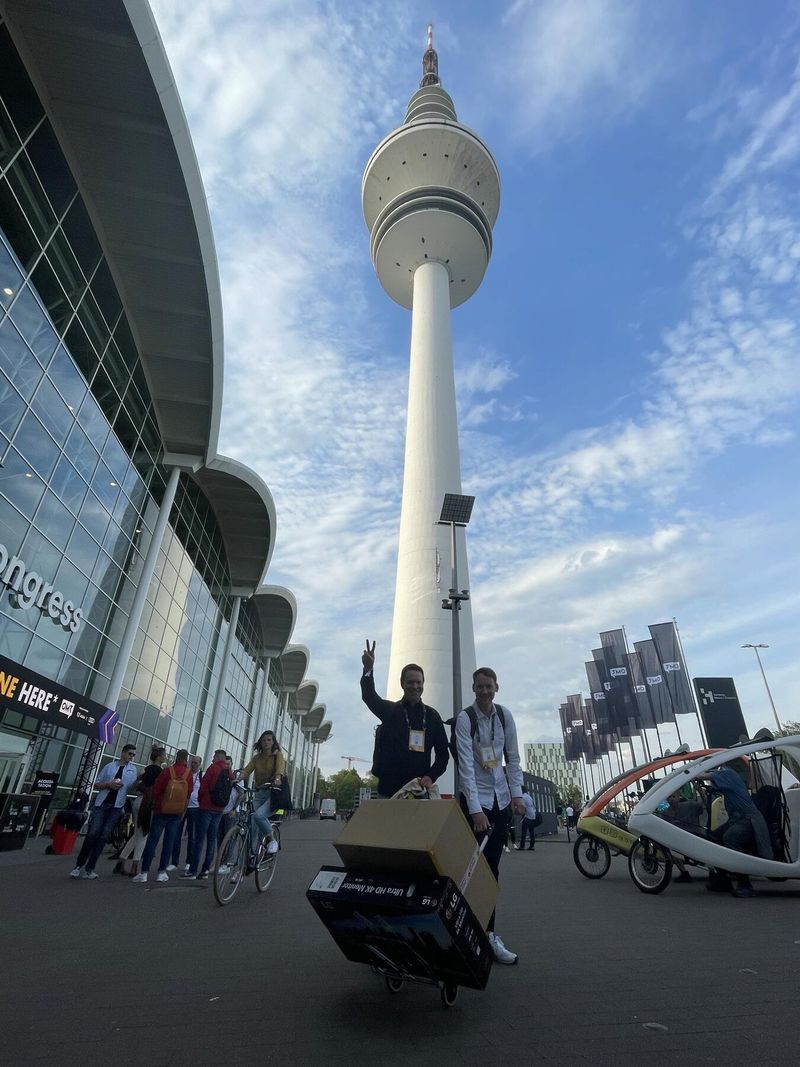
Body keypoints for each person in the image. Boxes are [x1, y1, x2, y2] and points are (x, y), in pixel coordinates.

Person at [455, 667, 525, 965]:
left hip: (500, 801)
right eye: (479, 686)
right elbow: (466, 767)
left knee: (491, 870)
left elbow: (513, 756)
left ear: (497, 686)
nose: (484, 691)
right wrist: (474, 810)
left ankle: (489, 934)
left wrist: (517, 793)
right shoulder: (465, 719)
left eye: (488, 686)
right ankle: (462, 931)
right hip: (476, 802)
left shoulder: (505, 716)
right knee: (469, 870)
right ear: (473, 688)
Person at [360, 639, 449, 798]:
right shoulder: (389, 711)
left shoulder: (432, 716)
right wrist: (368, 669)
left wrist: (431, 776)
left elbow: (443, 755)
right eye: (410, 682)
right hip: (388, 792)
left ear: (423, 684)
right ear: (402, 683)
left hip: (418, 792)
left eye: (418, 682)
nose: (414, 686)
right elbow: (369, 696)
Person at [70, 744, 138, 879]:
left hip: (117, 806)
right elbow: (97, 783)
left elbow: (133, 787)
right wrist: (109, 785)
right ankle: (79, 865)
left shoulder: (132, 770)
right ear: (123, 753)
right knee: (92, 834)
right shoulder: (110, 767)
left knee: (104, 836)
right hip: (102, 804)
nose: (131, 757)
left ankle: (90, 868)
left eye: (133, 755)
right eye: (130, 754)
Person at [133, 749, 193, 884]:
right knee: (169, 842)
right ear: (186, 759)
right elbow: (188, 794)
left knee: (152, 840)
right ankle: (161, 872)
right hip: (177, 812)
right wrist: (183, 810)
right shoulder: (188, 774)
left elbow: (157, 789)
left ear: (176, 757)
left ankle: (144, 873)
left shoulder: (167, 771)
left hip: (161, 810)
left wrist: (154, 803)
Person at [113, 744, 166, 875]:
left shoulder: (145, 769)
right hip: (147, 803)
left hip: (138, 800)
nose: (165, 757)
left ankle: (121, 861)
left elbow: (136, 785)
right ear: (159, 757)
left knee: (137, 834)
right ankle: (135, 866)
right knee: (143, 835)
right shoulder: (160, 772)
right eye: (164, 755)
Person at [235, 731, 284, 858]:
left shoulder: (277, 755)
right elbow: (247, 769)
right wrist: (239, 778)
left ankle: (271, 839)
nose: (266, 742)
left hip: (273, 793)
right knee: (252, 821)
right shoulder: (257, 758)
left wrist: (278, 778)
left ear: (273, 742)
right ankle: (252, 853)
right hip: (260, 792)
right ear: (260, 743)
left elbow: (280, 768)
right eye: (264, 740)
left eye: (269, 740)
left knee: (259, 816)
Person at [183, 749, 230, 880]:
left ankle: (192, 870)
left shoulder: (213, 768)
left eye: (214, 756)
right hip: (219, 809)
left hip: (207, 807)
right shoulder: (228, 771)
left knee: (199, 839)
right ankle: (204, 871)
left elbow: (203, 786)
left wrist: (200, 800)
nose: (212, 758)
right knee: (211, 840)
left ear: (218, 757)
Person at [167, 754, 202, 871]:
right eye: (192, 762)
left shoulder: (201, 776)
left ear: (200, 764)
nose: (193, 764)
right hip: (181, 806)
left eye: (196, 763)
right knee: (176, 834)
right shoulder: (185, 773)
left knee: (192, 836)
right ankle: (174, 862)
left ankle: (189, 861)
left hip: (194, 808)